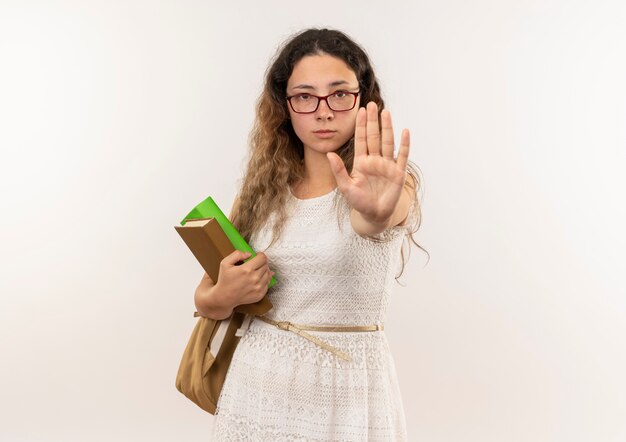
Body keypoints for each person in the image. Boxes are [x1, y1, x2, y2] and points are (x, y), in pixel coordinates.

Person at [194, 28, 424, 441]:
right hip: (256, 388)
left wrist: (375, 212)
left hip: (346, 393)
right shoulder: (259, 193)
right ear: (285, 107)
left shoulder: (387, 186)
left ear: (362, 99)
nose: (323, 111)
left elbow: (373, 221)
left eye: (339, 94)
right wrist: (226, 294)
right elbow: (206, 298)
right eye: (305, 96)